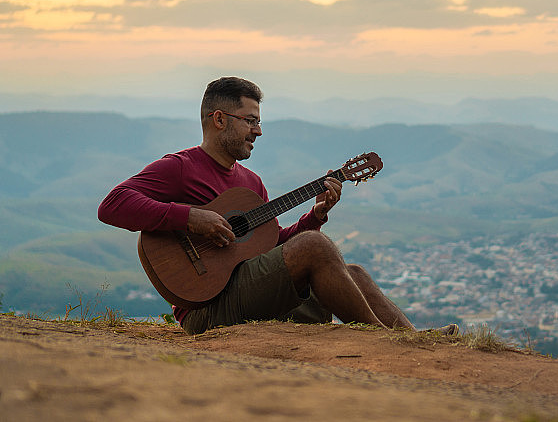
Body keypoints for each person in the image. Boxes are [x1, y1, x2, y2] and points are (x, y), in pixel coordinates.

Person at [98, 76, 457, 336]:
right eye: (250, 121)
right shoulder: (180, 167)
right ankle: (386, 340)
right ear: (219, 119)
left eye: (259, 121)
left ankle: (415, 339)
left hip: (247, 294)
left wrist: (315, 216)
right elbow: (113, 205)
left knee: (356, 273)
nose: (258, 131)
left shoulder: (251, 183)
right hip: (206, 310)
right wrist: (191, 217)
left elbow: (271, 247)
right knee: (315, 246)